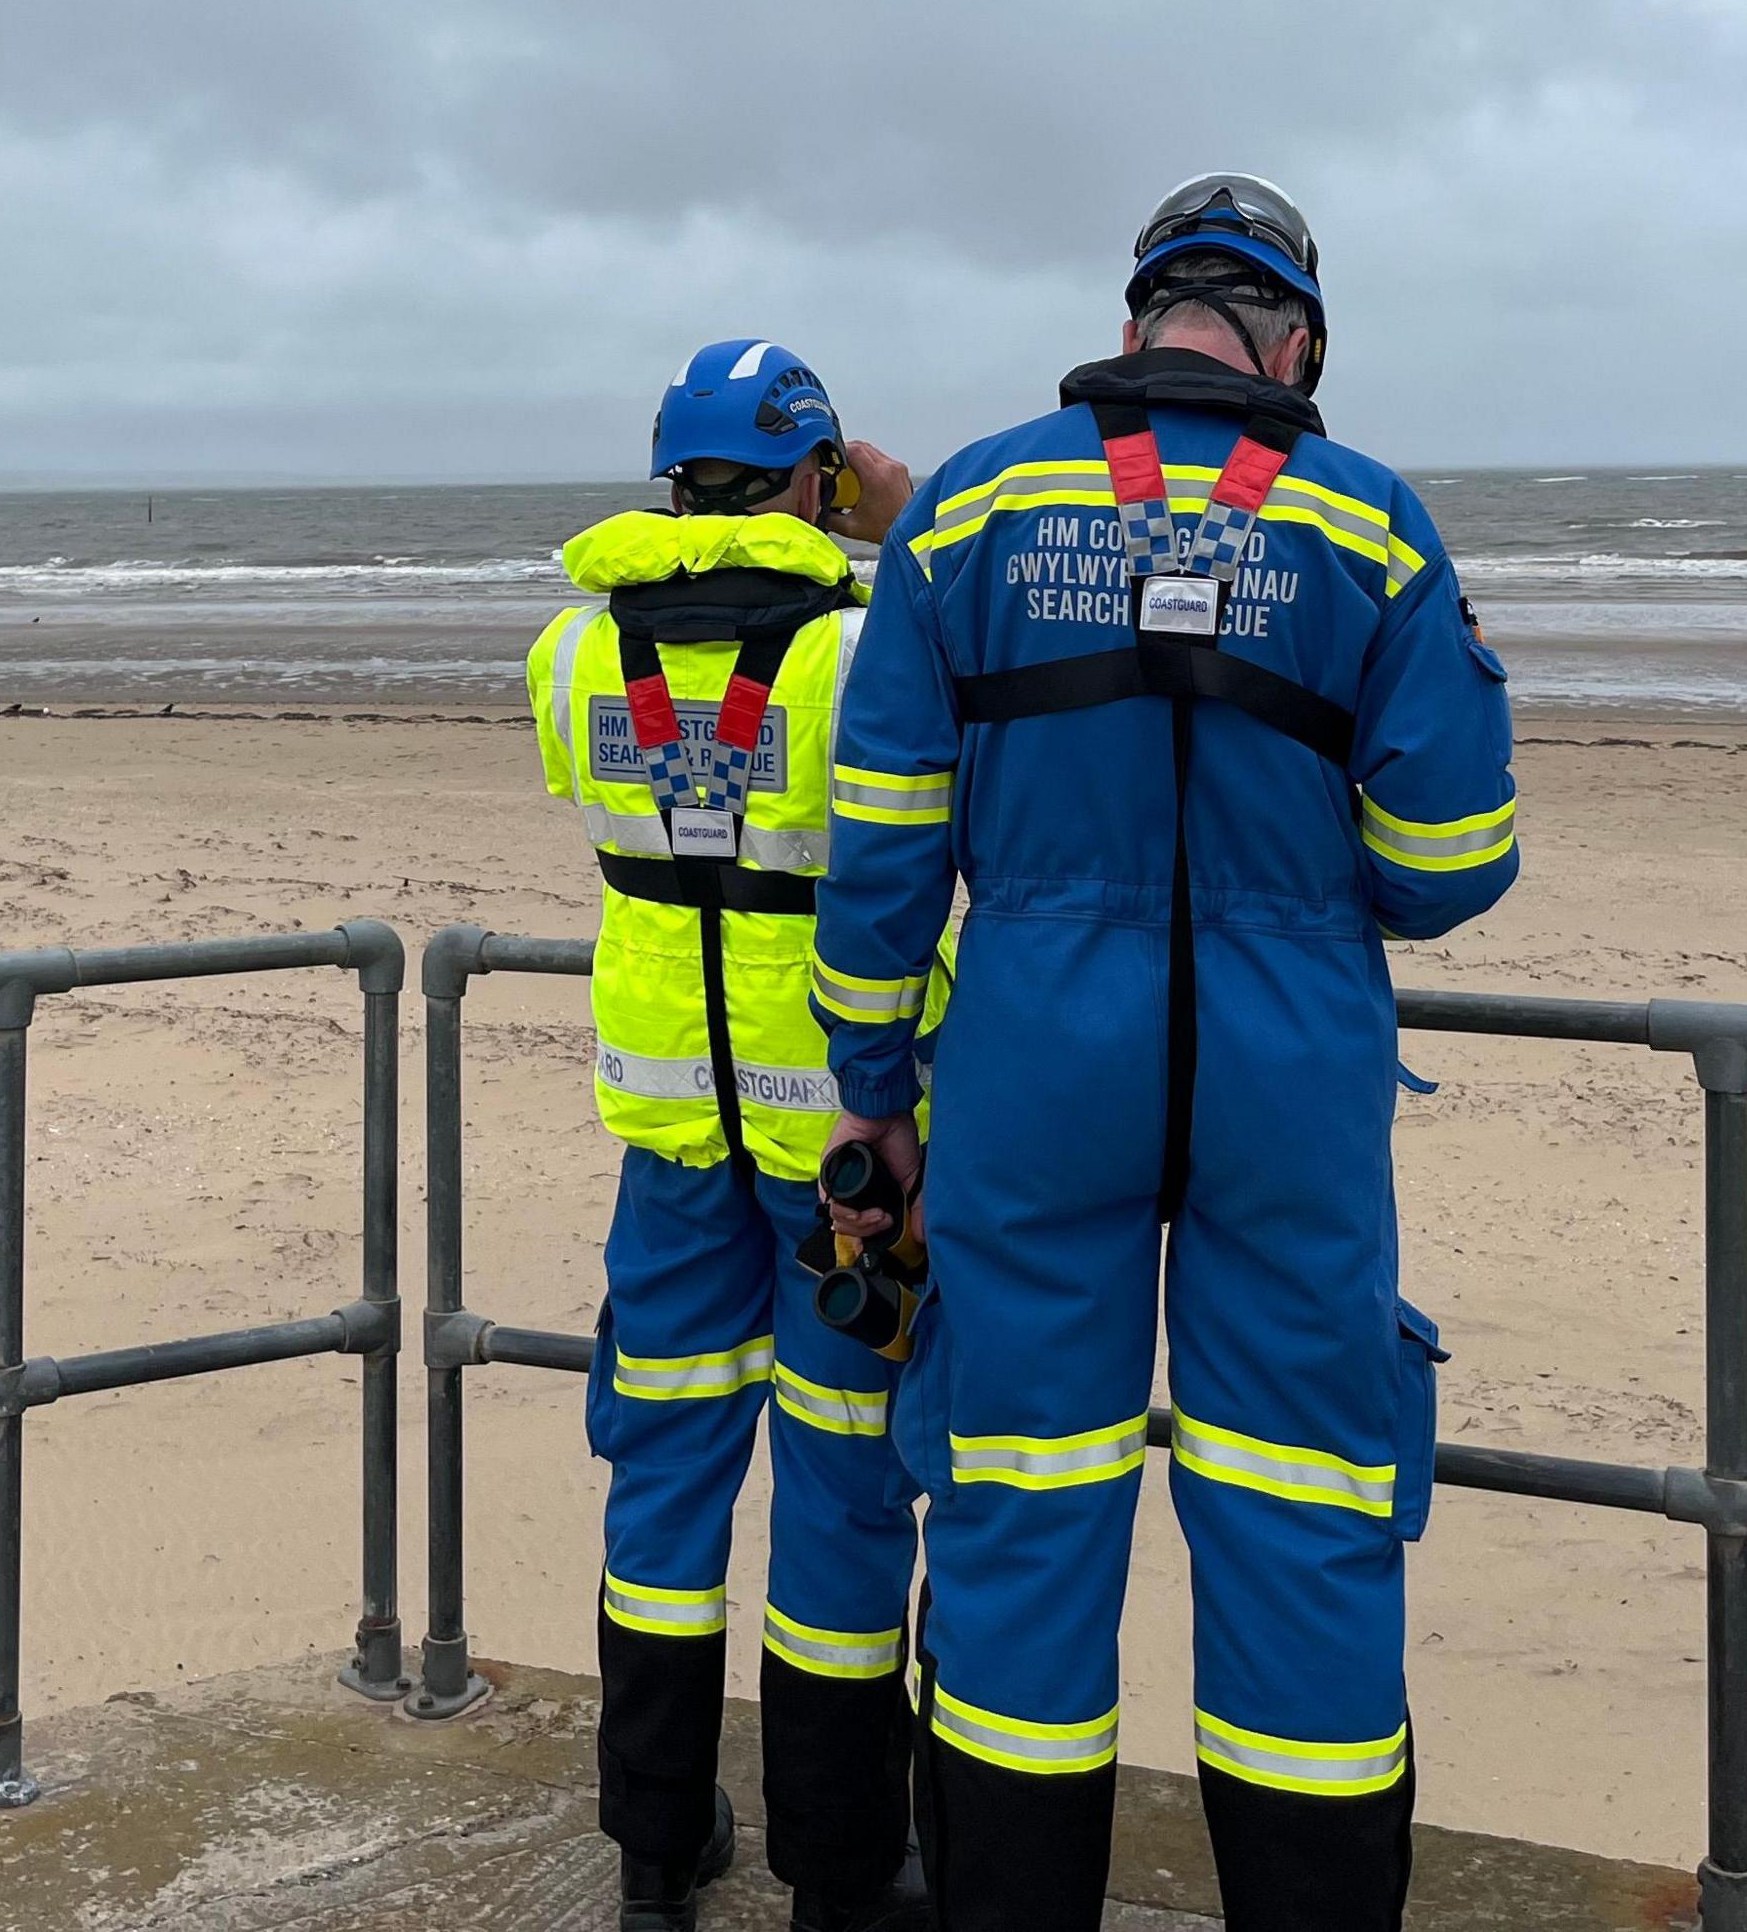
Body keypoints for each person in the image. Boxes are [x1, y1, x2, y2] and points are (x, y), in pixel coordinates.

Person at [811, 177, 1520, 1932]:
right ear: (1299, 343)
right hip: (1289, 1076)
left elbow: (884, 843)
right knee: (1301, 1513)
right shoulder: (1373, 527)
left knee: (1019, 1500)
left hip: (1036, 1059)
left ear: (1137, 330)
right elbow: (1450, 865)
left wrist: (878, 1094)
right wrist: (1291, 873)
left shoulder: (971, 507)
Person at [525, 339, 937, 1932]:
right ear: (817, 472)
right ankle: (836, 1875)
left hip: (667, 1137)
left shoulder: (574, 649)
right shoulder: (857, 647)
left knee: (664, 1478)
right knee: (841, 1485)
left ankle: (654, 1853)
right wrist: (897, 526)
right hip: (841, 1134)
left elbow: (601, 783)